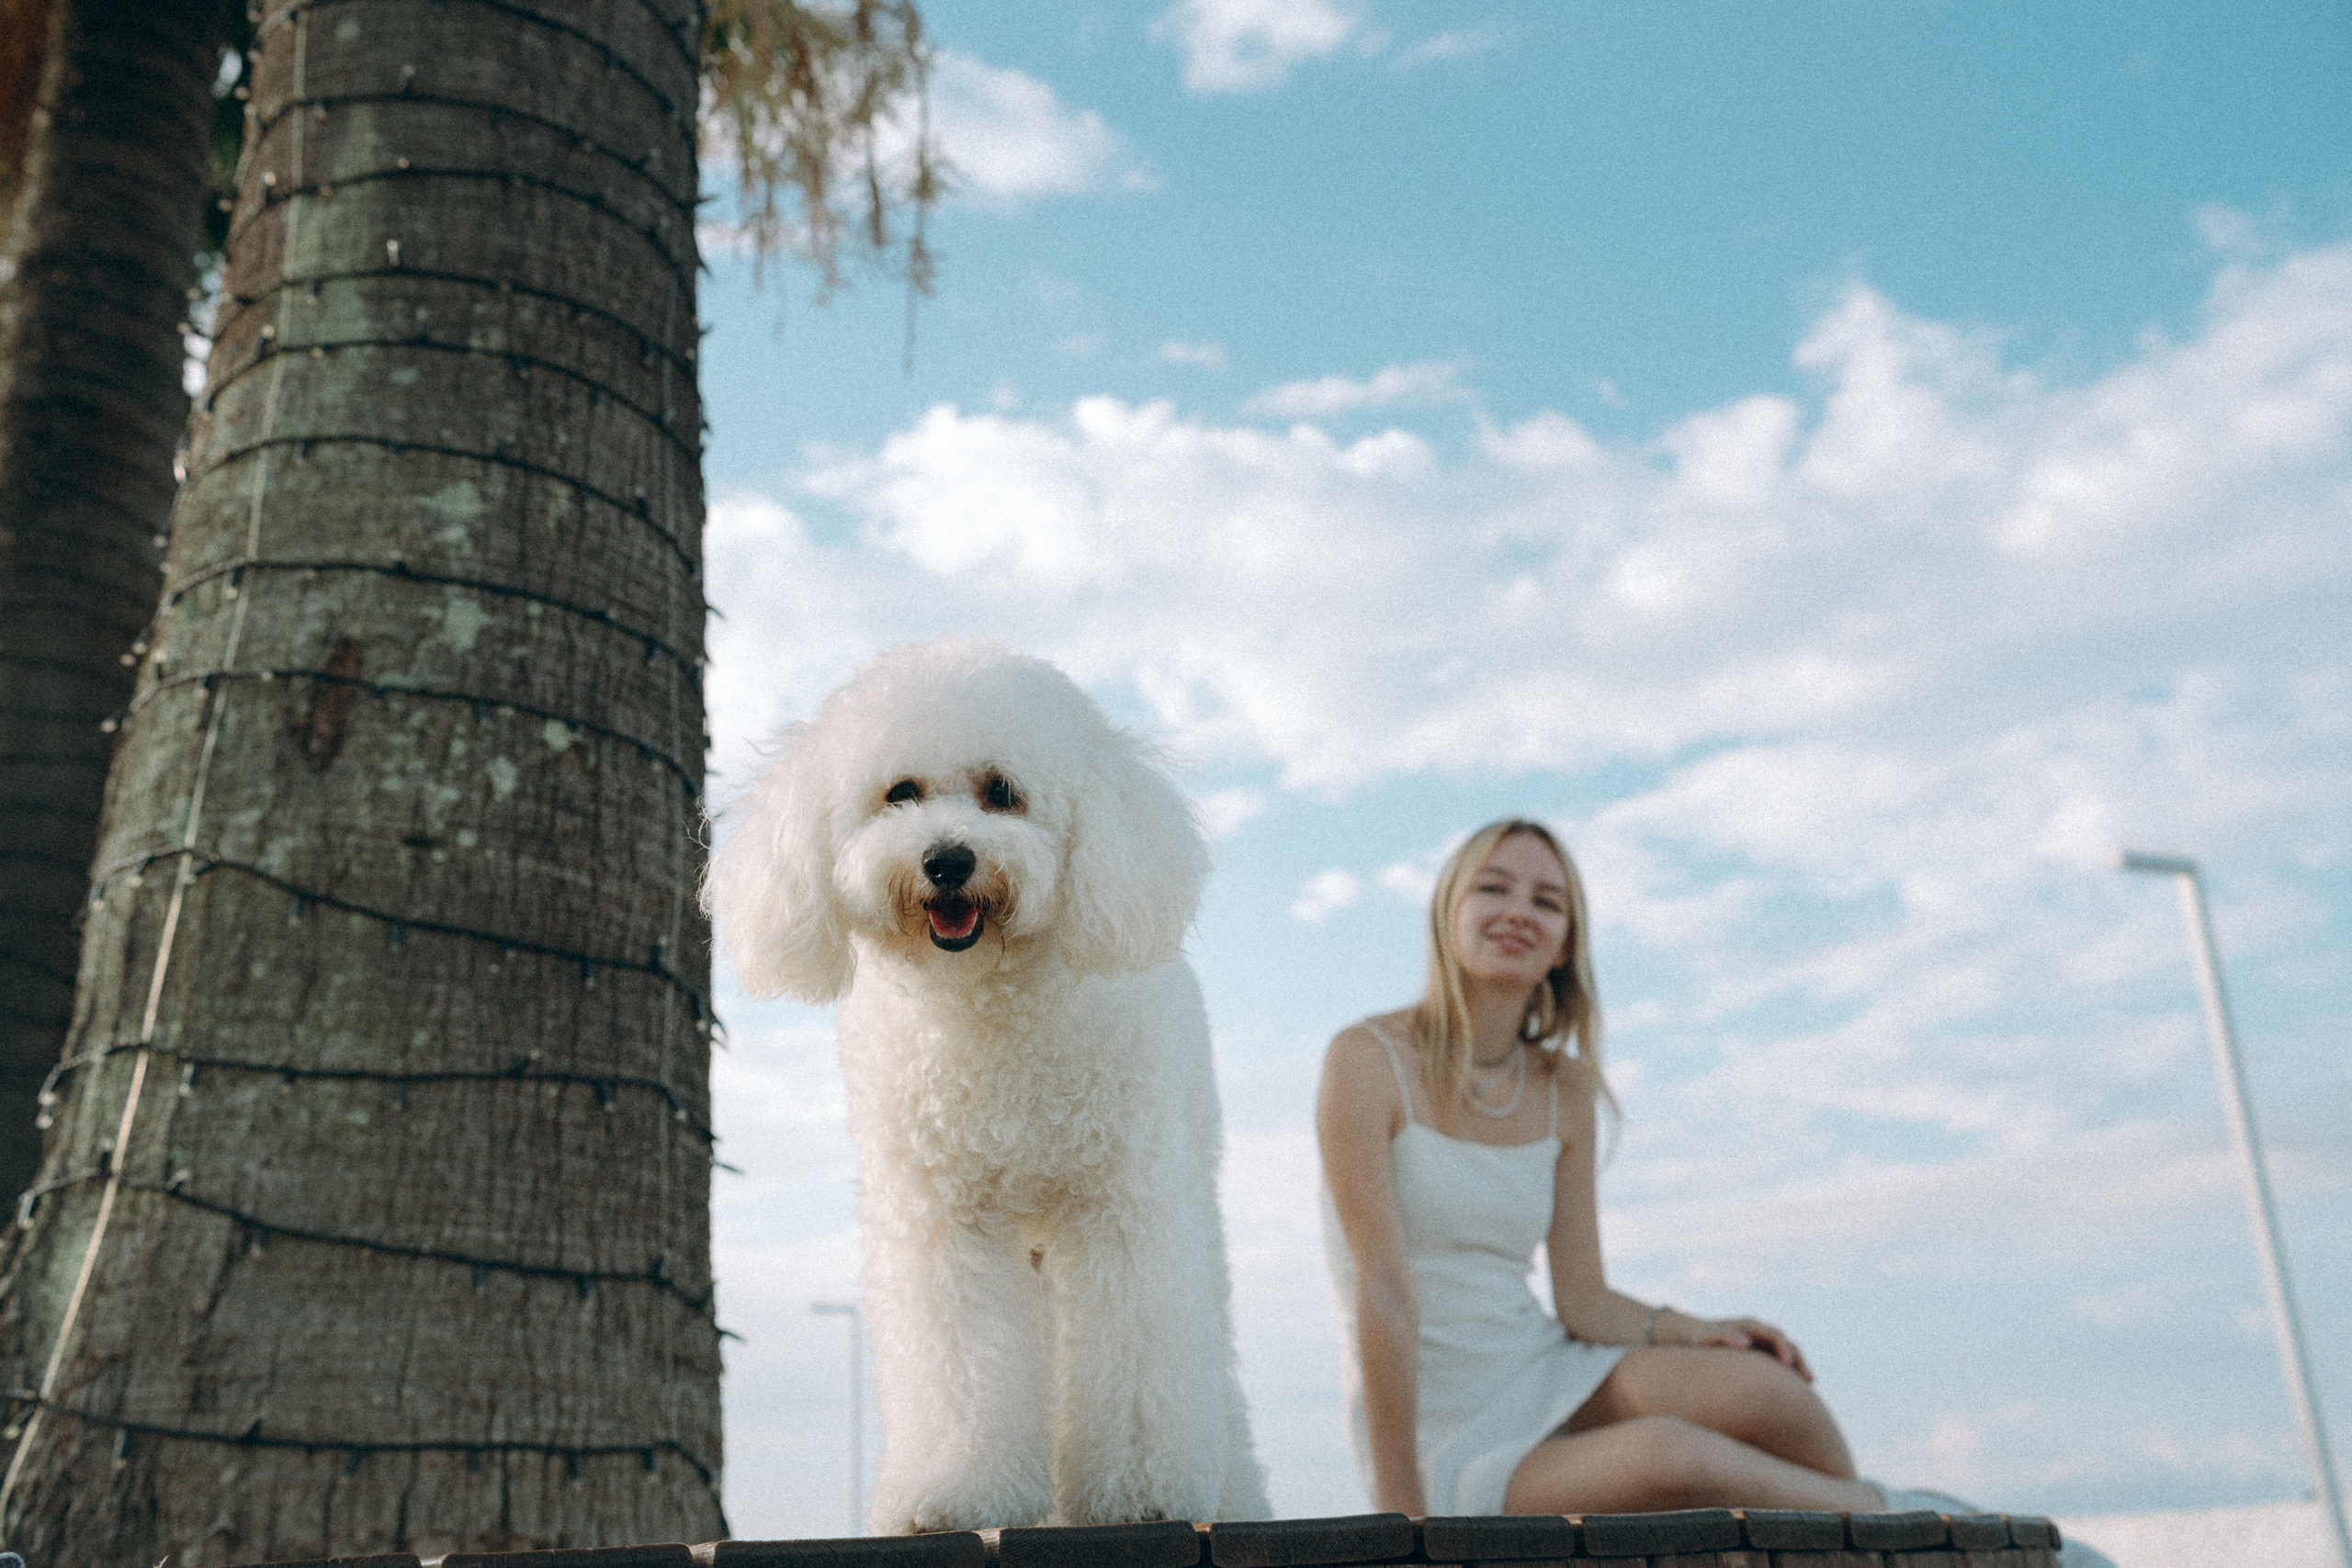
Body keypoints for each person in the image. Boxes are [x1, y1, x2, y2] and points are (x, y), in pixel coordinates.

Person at [1317, 818, 1890, 1518]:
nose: (1519, 912)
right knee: (1673, 1457)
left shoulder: (1566, 1087)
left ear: (1565, 944)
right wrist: (1399, 1511)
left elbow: (1583, 1298)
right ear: (1449, 912)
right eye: (1494, 888)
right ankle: (1880, 1512)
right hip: (1438, 1422)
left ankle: (1870, 1528)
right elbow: (1382, 1290)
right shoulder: (1366, 1058)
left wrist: (1697, 1329)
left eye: (1547, 901)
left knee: (1769, 1390)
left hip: (1542, 1362)